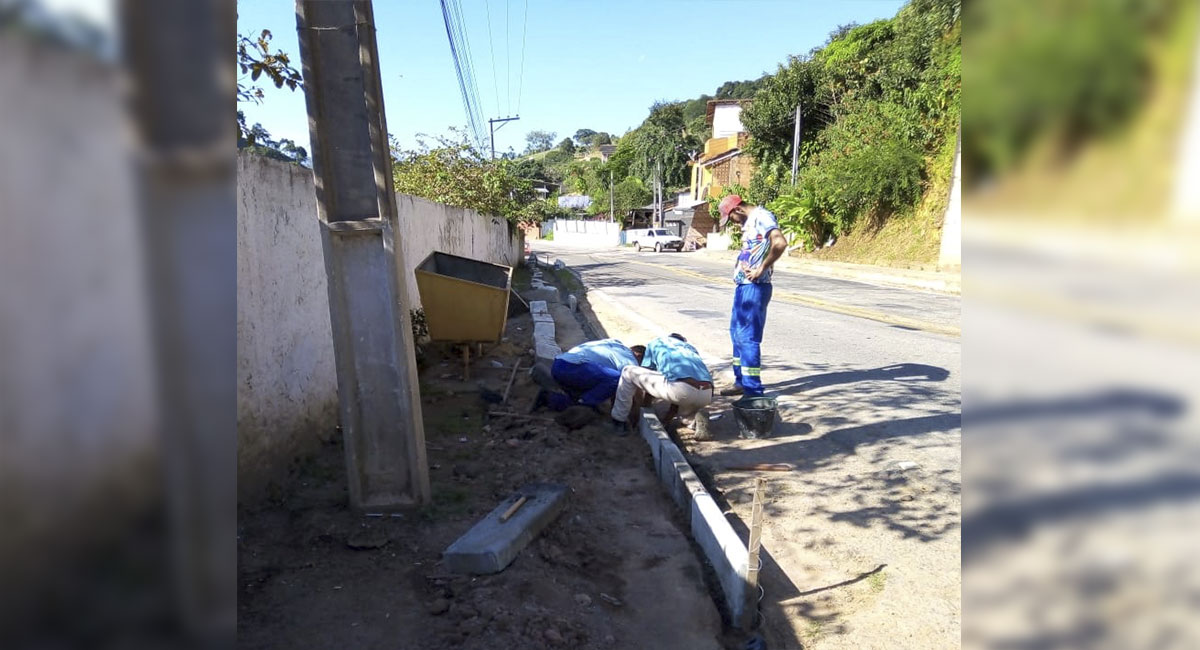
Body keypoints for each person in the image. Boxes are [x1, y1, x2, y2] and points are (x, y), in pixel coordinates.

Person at [718, 194, 787, 397]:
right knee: (736, 334)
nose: (732, 222)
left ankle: (753, 391)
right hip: (743, 286)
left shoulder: (762, 217)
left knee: (747, 338)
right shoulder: (750, 223)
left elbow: (780, 243)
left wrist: (761, 268)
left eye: (730, 217)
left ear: (738, 209)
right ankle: (741, 381)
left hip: (754, 287)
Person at [610, 333, 713, 431]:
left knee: (628, 371)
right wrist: (668, 418)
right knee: (686, 413)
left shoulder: (658, 342)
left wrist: (645, 406)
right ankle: (693, 422)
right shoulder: (690, 349)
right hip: (706, 394)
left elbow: (649, 376)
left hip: (681, 389)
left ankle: (619, 420)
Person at [531, 339, 645, 412]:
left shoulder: (615, 343)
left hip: (560, 364)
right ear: (638, 355)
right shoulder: (630, 360)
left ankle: (550, 398)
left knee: (598, 386)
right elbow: (630, 387)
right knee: (616, 378)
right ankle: (584, 404)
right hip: (571, 369)